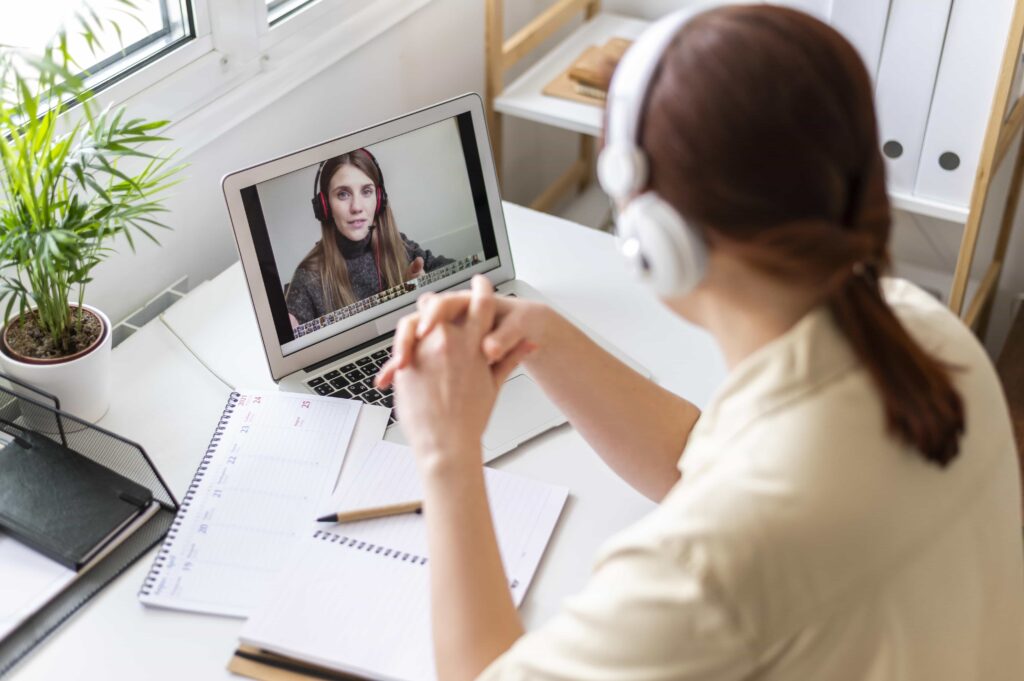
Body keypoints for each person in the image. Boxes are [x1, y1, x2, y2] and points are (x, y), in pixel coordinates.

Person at [375, 5, 1024, 681]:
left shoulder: (715, 562)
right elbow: (701, 463)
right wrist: (544, 337)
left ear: (659, 238)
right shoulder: (921, 330)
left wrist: (446, 454)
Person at [285, 149, 453, 327]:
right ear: (325, 206)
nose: (357, 207)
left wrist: (425, 285)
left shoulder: (399, 245)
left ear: (379, 199)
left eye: (366, 191)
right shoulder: (307, 278)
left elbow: (461, 273)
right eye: (343, 194)